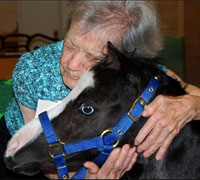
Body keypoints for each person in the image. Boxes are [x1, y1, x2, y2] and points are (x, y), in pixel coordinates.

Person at [0, 1, 200, 179]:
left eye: (94, 57)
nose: (72, 63)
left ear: (125, 62)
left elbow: (192, 94)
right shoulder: (33, 71)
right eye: (70, 44)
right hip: (27, 158)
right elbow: (51, 164)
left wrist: (191, 104)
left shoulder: (137, 78)